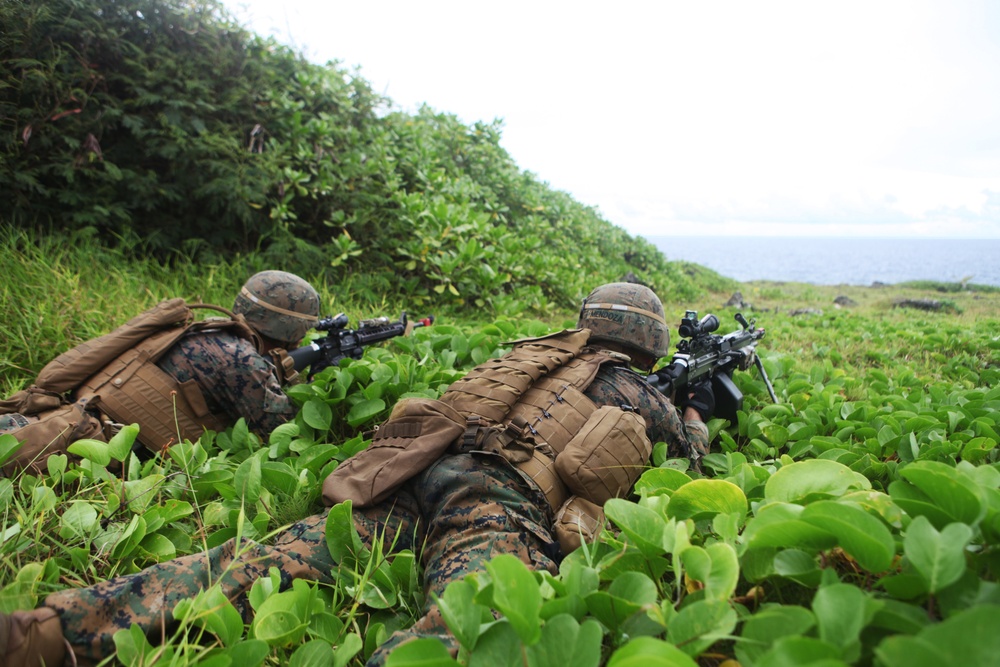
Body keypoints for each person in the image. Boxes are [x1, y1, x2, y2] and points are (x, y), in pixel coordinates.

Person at [0, 282, 712, 667]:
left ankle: (43, 631)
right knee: (476, 616)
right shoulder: (640, 393)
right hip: (494, 499)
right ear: (649, 343)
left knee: (247, 566)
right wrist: (696, 414)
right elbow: (687, 466)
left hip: (408, 477)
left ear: (586, 320)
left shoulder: (527, 353)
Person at [0, 270, 320, 468]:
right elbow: (282, 431)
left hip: (67, 418)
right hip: (79, 444)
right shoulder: (242, 360)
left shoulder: (205, 331)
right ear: (290, 329)